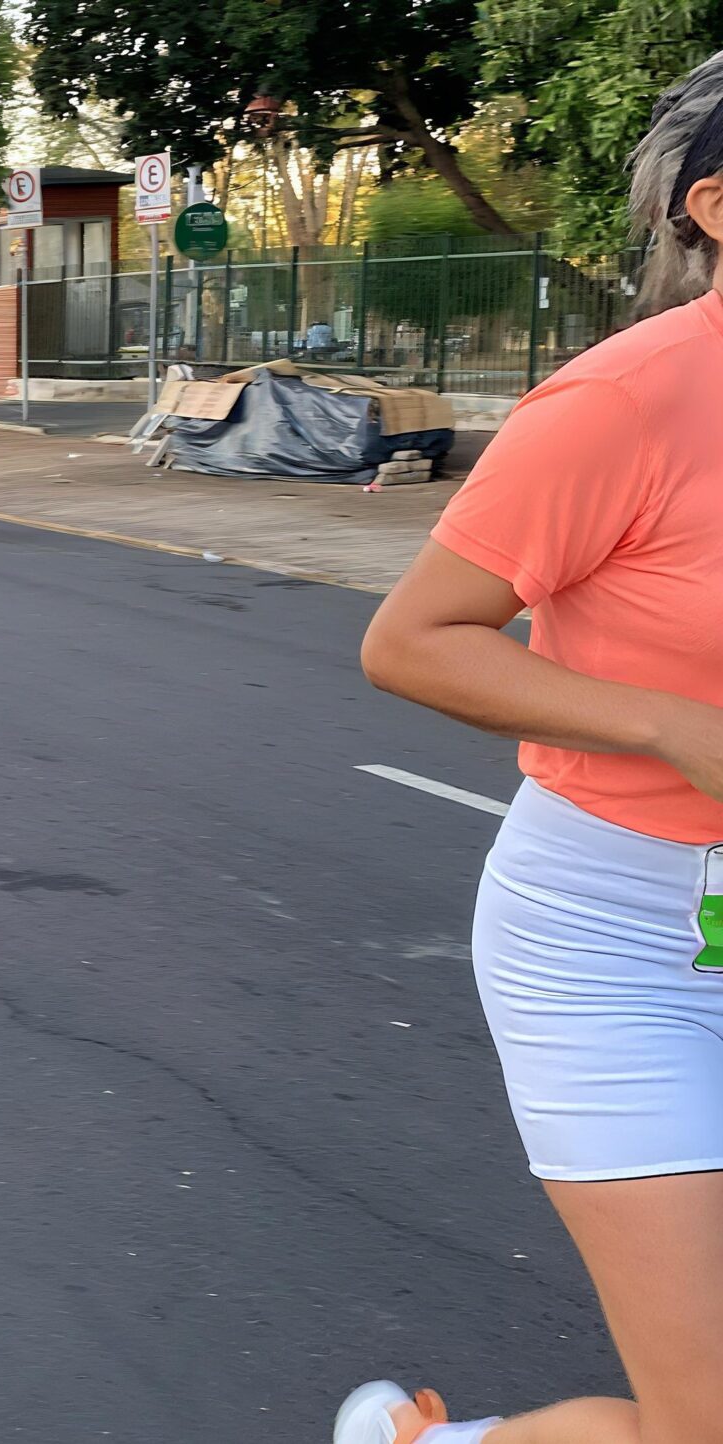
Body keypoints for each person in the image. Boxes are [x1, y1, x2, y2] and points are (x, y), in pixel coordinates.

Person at [343, 54, 723, 1444]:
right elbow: (410, 640)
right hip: (617, 944)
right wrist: (668, 725)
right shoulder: (626, 402)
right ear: (716, 208)